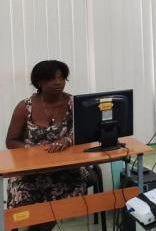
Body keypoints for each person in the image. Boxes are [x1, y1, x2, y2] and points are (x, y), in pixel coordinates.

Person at [5, 60, 91, 231]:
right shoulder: (25, 107)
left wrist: (67, 140)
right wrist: (34, 152)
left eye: (62, 78)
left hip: (67, 170)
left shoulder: (74, 104)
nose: (59, 82)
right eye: (52, 79)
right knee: (22, 198)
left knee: (67, 196)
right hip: (30, 172)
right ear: (39, 82)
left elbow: (86, 134)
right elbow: (11, 141)